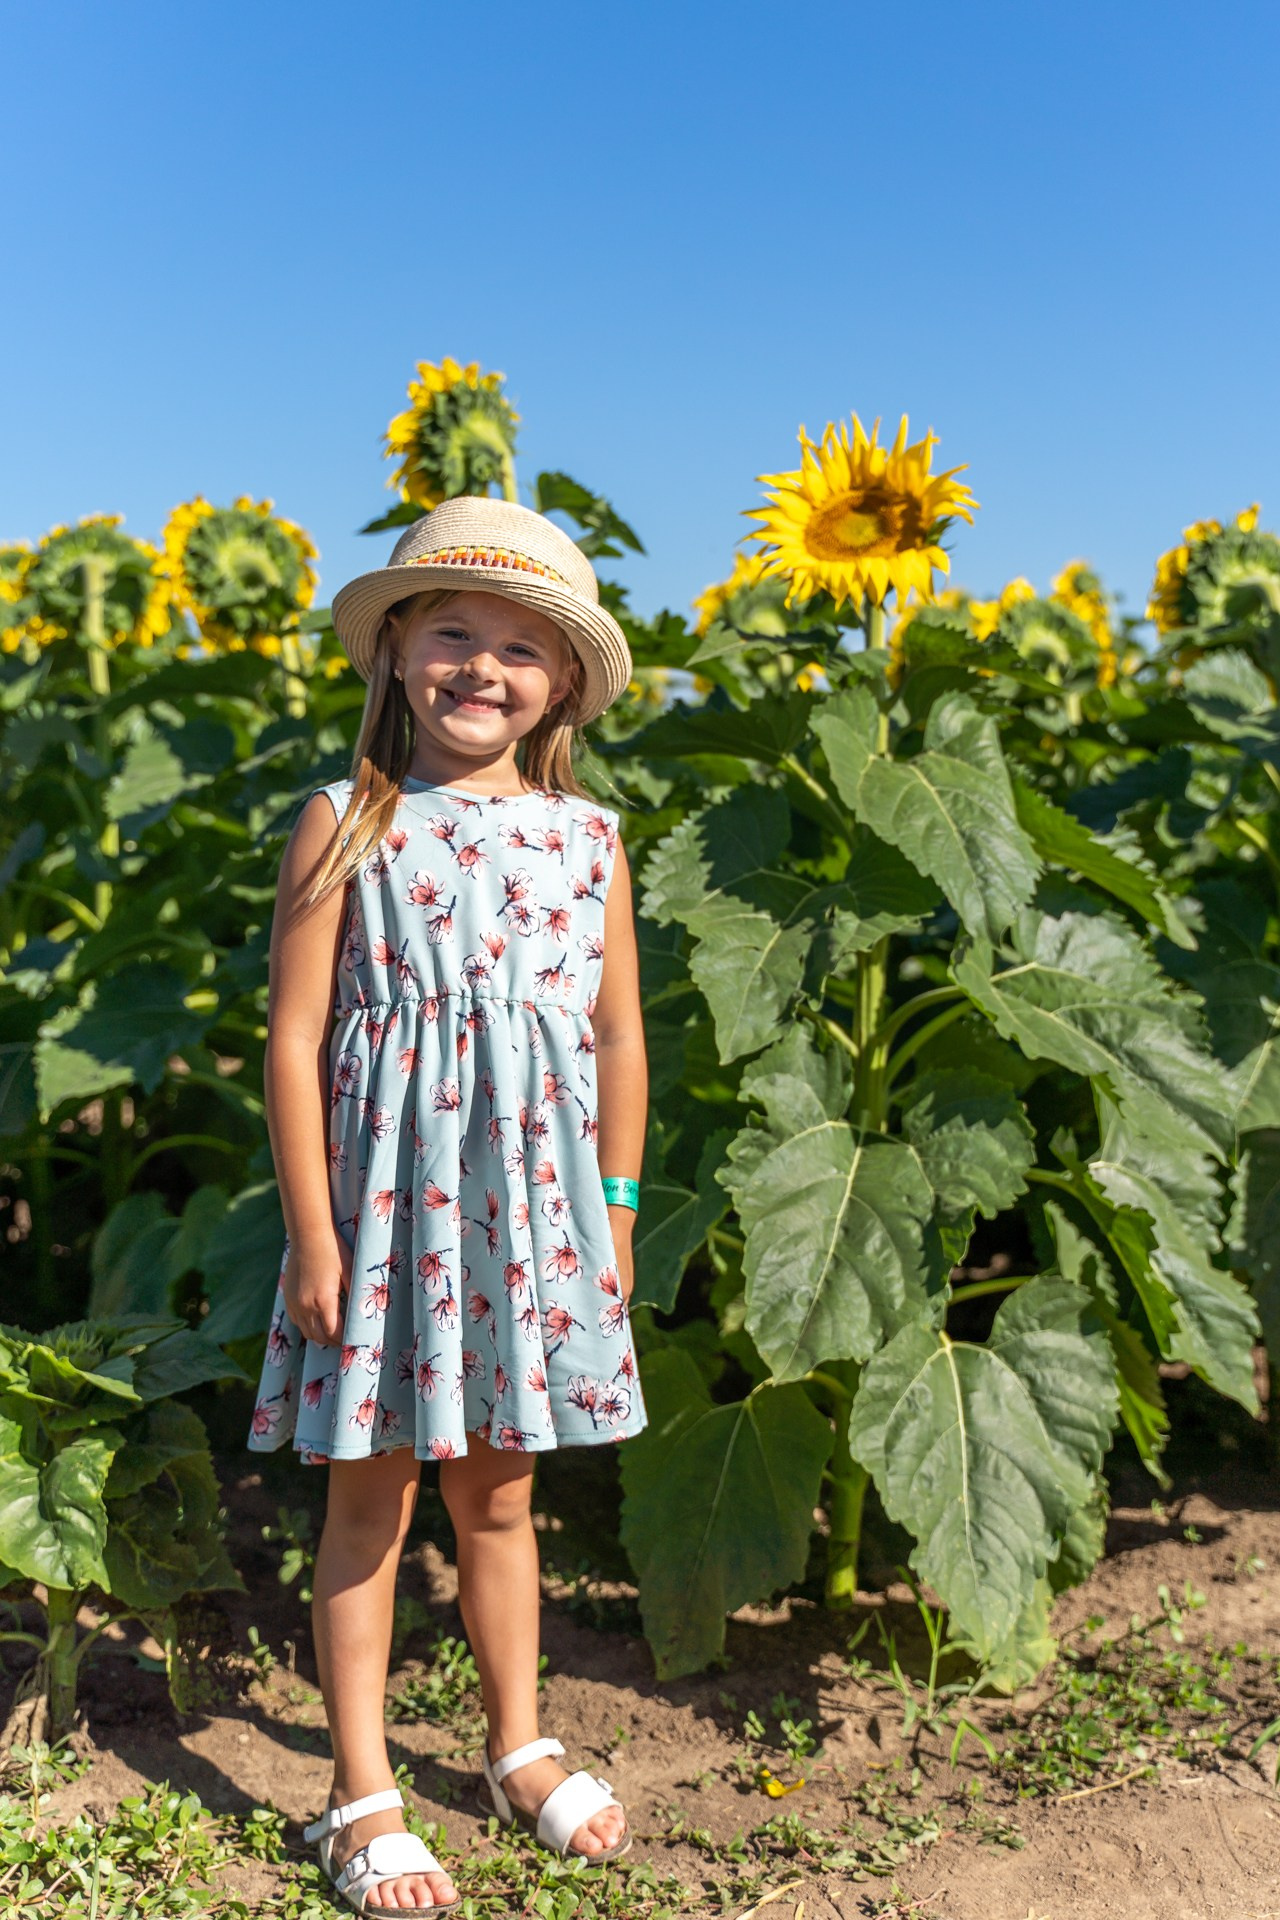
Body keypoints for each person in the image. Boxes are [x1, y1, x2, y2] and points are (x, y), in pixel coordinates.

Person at [246, 496, 649, 1916]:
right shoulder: (346, 821)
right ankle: (358, 1792)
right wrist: (312, 1233)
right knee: (372, 1496)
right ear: (399, 648)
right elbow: (293, 1041)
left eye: (523, 648)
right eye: (456, 633)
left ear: (566, 685)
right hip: (382, 1216)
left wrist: (614, 1204)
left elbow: (615, 1041)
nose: (485, 668)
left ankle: (515, 1747)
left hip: (529, 1215)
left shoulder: (589, 840)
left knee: (503, 1495)